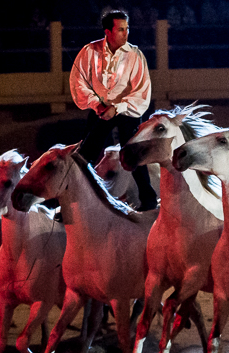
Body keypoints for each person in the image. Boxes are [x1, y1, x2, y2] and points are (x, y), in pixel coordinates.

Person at [70, 9, 158, 210]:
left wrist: (117, 108)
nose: (126, 33)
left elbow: (141, 91)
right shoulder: (90, 51)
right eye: (120, 29)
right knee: (84, 156)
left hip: (127, 111)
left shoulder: (135, 55)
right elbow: (78, 82)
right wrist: (97, 104)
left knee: (134, 155)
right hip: (100, 110)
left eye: (127, 29)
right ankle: (75, 202)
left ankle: (149, 200)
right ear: (108, 31)